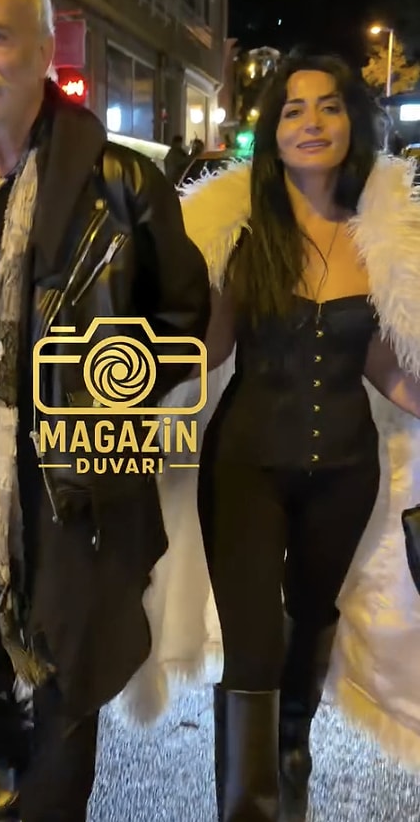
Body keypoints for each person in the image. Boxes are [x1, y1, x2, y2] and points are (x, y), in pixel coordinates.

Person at [0, 0, 210, 822]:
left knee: (70, 682)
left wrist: (108, 397)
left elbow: (183, 317)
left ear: (41, 50)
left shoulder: (121, 183)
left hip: (78, 486)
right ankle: (15, 747)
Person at [115, 53, 420, 821]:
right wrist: (117, 381)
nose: (311, 122)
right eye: (292, 109)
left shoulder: (385, 239)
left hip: (345, 474)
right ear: (273, 132)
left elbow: (384, 364)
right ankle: (248, 808)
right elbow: (207, 347)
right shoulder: (241, 232)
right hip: (244, 470)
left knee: (312, 619)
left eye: (328, 106)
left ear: (353, 122)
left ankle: (292, 740)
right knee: (251, 651)